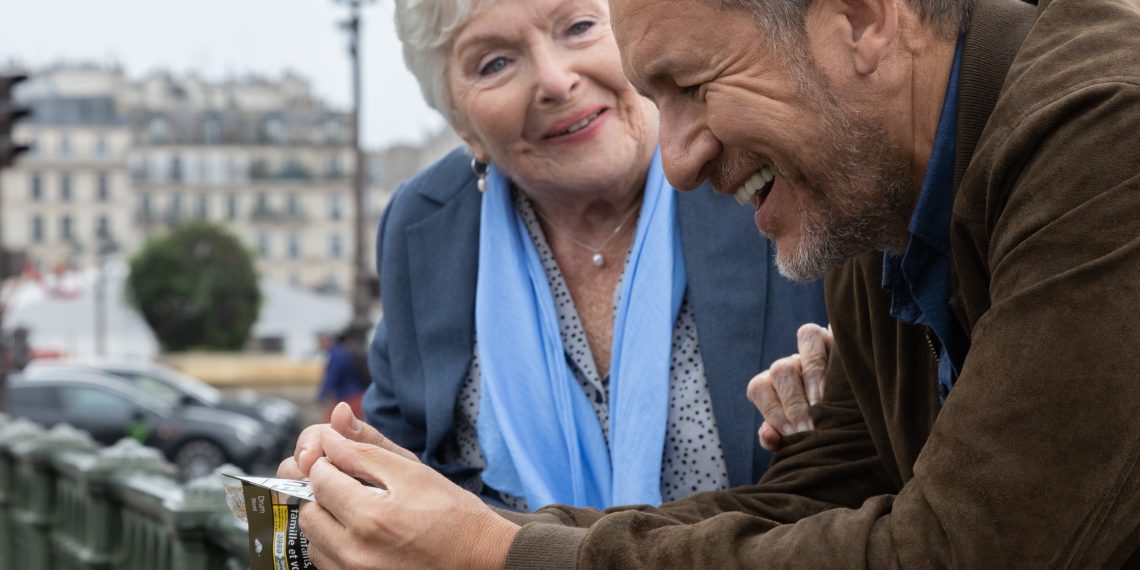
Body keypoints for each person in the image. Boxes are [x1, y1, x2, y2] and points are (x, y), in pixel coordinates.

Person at [280, 0, 1140, 565]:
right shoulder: (877, 189)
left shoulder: (1107, 132)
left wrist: (495, 555)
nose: (678, 159)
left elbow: (951, 552)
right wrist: (452, 530)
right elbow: (810, 503)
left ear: (863, 17)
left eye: (691, 87)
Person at [353, 0, 827, 514]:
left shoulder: (754, 159)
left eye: (578, 27)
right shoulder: (423, 223)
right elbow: (399, 464)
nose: (556, 81)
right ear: (463, 125)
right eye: (494, 63)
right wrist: (343, 480)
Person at [315, 330, 369, 421]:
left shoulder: (336, 355)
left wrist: (320, 396)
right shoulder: (342, 352)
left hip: (348, 398)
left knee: (330, 426)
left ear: (326, 340)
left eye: (319, 341)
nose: (318, 344)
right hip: (356, 395)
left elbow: (332, 377)